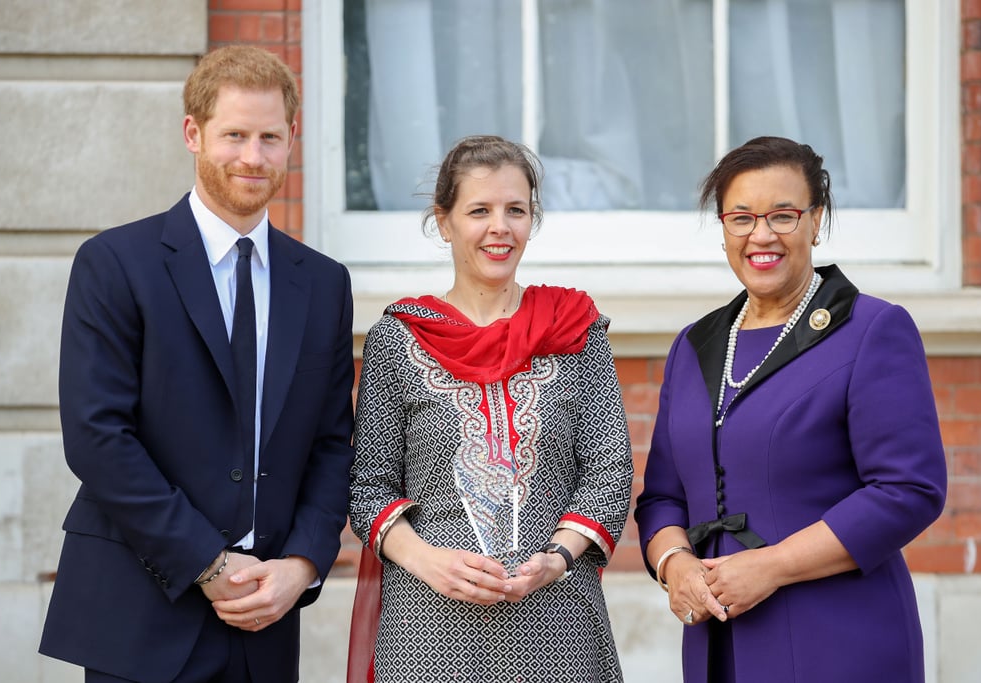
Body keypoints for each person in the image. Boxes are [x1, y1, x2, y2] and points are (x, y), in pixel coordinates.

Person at [39, 45, 355, 683]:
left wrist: (302, 564)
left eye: (270, 137)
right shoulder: (115, 263)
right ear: (193, 133)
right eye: (234, 135)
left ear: (292, 139)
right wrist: (209, 565)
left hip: (266, 623)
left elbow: (331, 444)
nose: (252, 157)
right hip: (141, 617)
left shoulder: (323, 283)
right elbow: (98, 439)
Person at [634, 136, 947, 683]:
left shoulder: (872, 330)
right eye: (741, 217)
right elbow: (663, 496)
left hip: (839, 641)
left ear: (815, 220)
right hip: (717, 648)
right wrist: (673, 564)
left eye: (782, 215)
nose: (761, 235)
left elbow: (908, 490)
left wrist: (770, 566)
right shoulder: (694, 345)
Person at [346, 135, 634, 682]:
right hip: (430, 633)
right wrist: (429, 562)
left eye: (516, 210)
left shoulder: (574, 329)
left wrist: (557, 558)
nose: (500, 227)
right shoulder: (400, 338)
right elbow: (368, 488)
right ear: (444, 221)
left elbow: (609, 471)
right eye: (479, 210)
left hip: (559, 628)